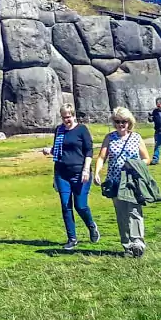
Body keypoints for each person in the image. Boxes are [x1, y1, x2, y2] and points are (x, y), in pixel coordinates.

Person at [96, 107, 160, 257]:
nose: (120, 124)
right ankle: (127, 245)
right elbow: (101, 157)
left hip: (132, 181)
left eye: (123, 121)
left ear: (129, 122)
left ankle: (137, 243)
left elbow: (147, 159)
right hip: (115, 181)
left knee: (134, 211)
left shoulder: (136, 138)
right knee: (122, 214)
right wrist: (97, 172)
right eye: (117, 121)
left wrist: (135, 164)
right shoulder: (109, 138)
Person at [46, 103, 98, 250]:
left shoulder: (82, 130)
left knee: (80, 205)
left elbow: (88, 151)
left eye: (68, 117)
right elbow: (59, 149)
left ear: (73, 115)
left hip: (80, 173)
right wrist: (49, 151)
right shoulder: (59, 130)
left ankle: (91, 226)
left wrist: (86, 170)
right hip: (62, 173)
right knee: (65, 205)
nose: (66, 120)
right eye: (63, 117)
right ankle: (72, 238)